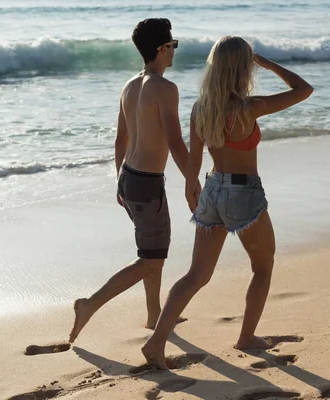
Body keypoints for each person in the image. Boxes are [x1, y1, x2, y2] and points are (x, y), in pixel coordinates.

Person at [141, 35, 314, 369]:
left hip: (212, 188)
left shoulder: (200, 109)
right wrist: (269, 63)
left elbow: (194, 160)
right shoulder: (250, 107)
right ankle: (247, 337)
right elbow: (303, 89)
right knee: (263, 265)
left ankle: (156, 340)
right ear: (242, 69)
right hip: (243, 192)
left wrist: (191, 188)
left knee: (196, 275)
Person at [69, 18, 199, 343]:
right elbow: (174, 141)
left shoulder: (129, 86)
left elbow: (119, 140)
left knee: (151, 250)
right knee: (151, 258)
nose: (174, 51)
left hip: (129, 177)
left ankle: (154, 314)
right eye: (173, 45)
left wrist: (118, 182)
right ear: (161, 49)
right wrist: (192, 180)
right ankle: (90, 304)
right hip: (147, 183)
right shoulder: (165, 89)